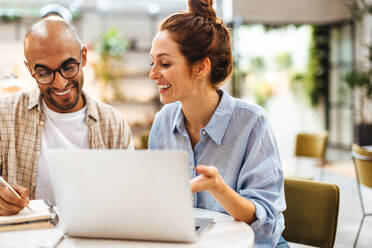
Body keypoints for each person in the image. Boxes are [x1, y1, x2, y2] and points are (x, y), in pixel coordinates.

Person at [148, 0, 288, 247]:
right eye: (153, 62)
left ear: (200, 67)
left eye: (165, 63)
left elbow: (266, 229)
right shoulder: (163, 122)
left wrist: (218, 188)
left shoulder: (252, 123)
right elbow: (158, 202)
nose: (153, 73)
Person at [0, 18, 133, 216]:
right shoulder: (5, 116)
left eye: (69, 68)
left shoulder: (114, 124)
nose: (61, 84)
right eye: (44, 73)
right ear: (30, 70)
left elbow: (130, 199)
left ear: (84, 56)